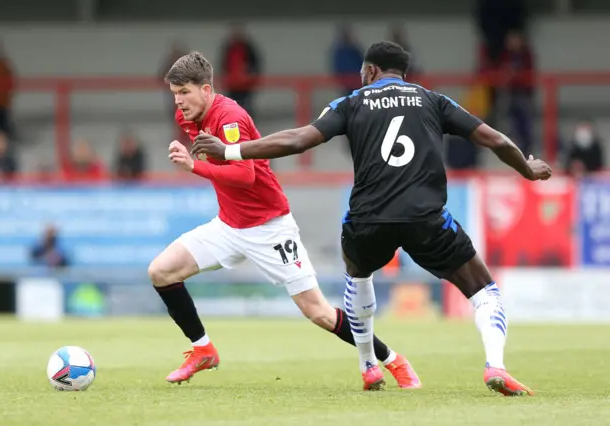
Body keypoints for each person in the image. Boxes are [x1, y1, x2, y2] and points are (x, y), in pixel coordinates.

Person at [191, 41, 552, 396]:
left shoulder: (350, 102)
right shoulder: (432, 100)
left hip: (367, 221)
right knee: (484, 291)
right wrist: (528, 168)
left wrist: (229, 150)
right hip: (425, 218)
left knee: (359, 276)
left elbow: (298, 140)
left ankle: (368, 365)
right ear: (403, 74)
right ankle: (495, 366)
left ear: (370, 71)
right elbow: (495, 140)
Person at [150, 51, 420, 391]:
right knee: (161, 271)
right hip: (229, 226)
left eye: (184, 92)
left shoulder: (228, 117)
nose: (179, 102)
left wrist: (194, 167)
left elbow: (245, 175)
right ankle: (203, 349)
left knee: (318, 312)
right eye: (175, 94)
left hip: (269, 228)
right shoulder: (189, 116)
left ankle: (392, 359)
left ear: (206, 90)